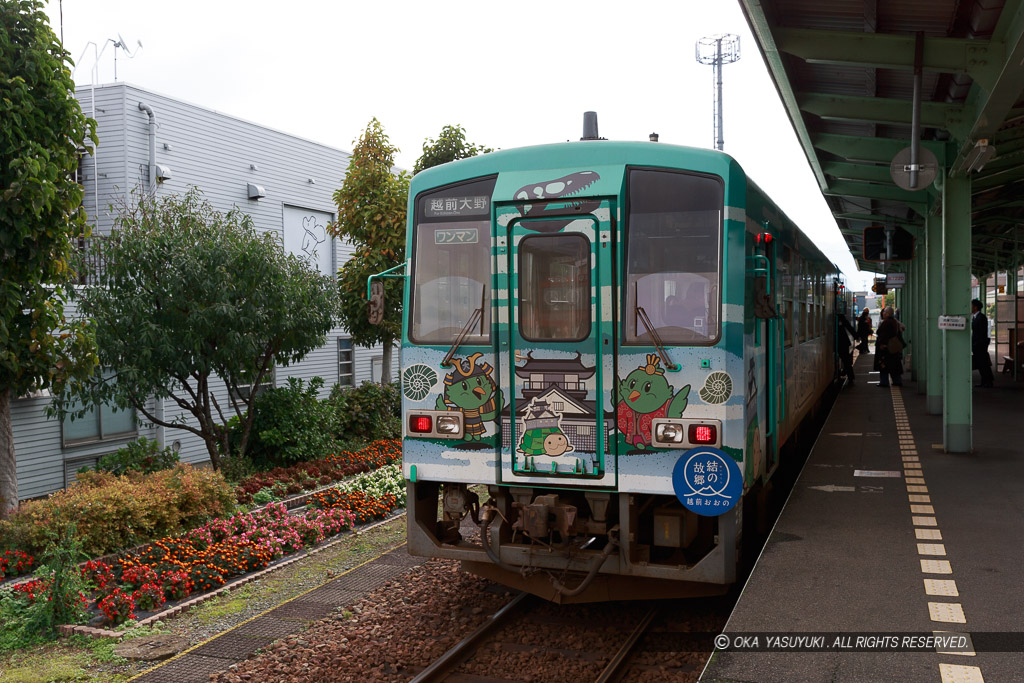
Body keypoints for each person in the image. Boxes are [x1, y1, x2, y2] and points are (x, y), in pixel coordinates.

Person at [874, 306, 904, 388]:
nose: (883, 313)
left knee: (884, 365)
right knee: (894, 366)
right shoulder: (894, 321)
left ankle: (884, 382)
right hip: (893, 347)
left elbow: (883, 334)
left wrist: (882, 344)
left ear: (887, 314)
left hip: (886, 348)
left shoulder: (886, 322)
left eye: (884, 312)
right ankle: (897, 381)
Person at [972, 298, 994, 388]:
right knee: (981, 364)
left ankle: (988, 382)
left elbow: (981, 332)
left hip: (980, 344)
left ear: (975, 307)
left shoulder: (981, 317)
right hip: (978, 344)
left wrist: (977, 343)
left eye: (971, 306)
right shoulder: (976, 317)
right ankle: (985, 381)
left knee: (983, 364)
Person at [836, 313, 857, 386]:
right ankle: (848, 375)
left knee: (846, 360)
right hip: (843, 343)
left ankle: (849, 377)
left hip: (841, 343)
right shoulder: (841, 317)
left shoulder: (839, 317)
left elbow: (849, 327)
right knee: (846, 360)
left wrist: (856, 336)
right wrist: (856, 336)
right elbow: (849, 327)